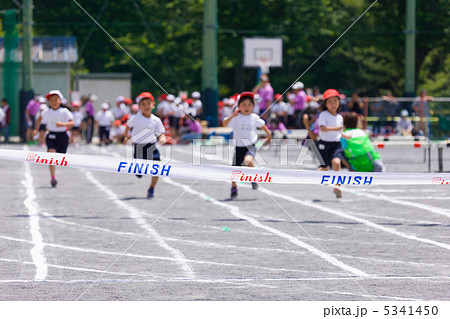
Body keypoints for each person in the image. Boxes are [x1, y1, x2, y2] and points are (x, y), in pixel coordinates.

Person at [223, 92, 272, 199]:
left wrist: (269, 135)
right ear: (238, 106)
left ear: (253, 106)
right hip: (239, 146)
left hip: (251, 144)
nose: (246, 107)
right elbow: (224, 124)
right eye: (244, 105)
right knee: (234, 171)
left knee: (248, 160)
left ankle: (253, 178)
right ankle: (234, 187)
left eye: (249, 105)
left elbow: (263, 125)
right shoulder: (236, 118)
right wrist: (232, 116)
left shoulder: (254, 117)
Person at [123, 92, 166, 198]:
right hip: (139, 146)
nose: (146, 106)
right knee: (139, 171)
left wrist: (162, 138)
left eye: (148, 103)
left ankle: (151, 188)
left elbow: (160, 133)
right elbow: (128, 126)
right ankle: (139, 171)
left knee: (157, 169)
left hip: (151, 146)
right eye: (143, 104)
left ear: (153, 105)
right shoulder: (135, 118)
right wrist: (126, 136)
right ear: (139, 107)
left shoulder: (156, 120)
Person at [33, 90, 74, 187]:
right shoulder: (47, 112)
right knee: (51, 155)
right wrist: (36, 129)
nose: (54, 102)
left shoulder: (64, 112)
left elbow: (72, 123)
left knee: (60, 156)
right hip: (51, 135)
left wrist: (62, 124)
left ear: (60, 100)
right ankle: (53, 177)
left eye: (56, 99)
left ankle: (54, 171)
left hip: (62, 136)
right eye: (51, 100)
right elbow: (39, 118)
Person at [317, 89, 344, 198]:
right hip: (323, 144)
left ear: (339, 102)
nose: (333, 104)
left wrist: (348, 136)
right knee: (325, 168)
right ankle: (322, 170)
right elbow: (322, 128)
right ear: (325, 104)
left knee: (337, 162)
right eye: (330, 102)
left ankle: (337, 185)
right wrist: (336, 128)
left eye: (335, 101)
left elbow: (340, 132)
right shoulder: (324, 114)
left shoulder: (340, 117)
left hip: (336, 144)